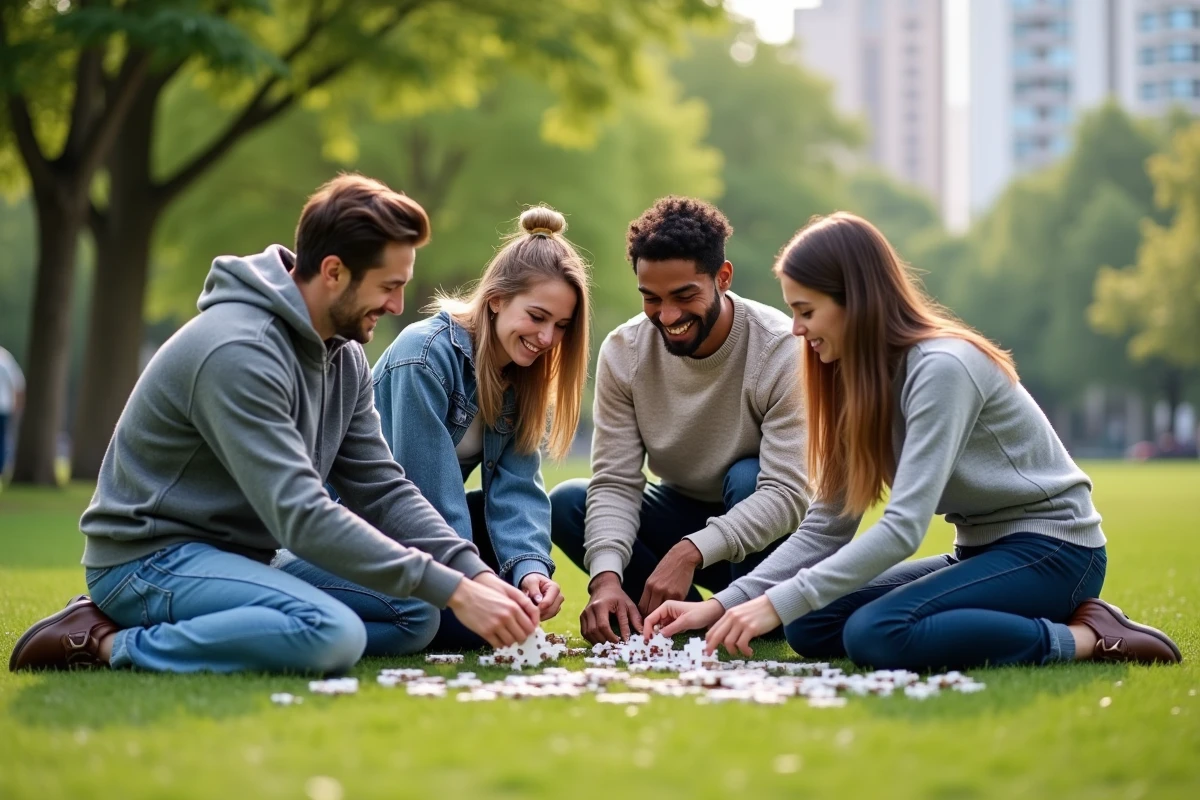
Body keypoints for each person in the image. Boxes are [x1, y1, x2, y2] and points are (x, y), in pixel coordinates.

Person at [8, 174, 539, 674]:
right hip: (149, 559)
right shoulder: (239, 351)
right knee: (332, 634)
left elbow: (381, 487)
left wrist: (474, 575)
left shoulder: (343, 354)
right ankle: (103, 642)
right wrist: (454, 590)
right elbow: (301, 517)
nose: (399, 305)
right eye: (388, 286)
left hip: (247, 557)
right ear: (333, 272)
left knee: (415, 615)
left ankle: (234, 623)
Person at [646, 212, 1183, 669]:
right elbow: (828, 525)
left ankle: (1090, 637)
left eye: (806, 311)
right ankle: (1012, 613)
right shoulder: (848, 379)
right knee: (807, 625)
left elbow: (903, 528)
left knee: (877, 633)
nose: (796, 330)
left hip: (1056, 551)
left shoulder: (942, 367)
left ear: (855, 300)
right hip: (977, 552)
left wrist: (772, 604)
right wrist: (730, 605)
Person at [274, 206, 589, 652]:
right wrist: (476, 587)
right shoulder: (423, 357)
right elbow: (424, 496)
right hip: (365, 532)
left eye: (561, 326)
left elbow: (517, 488)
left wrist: (530, 572)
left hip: (431, 539)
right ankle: (299, 606)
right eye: (536, 317)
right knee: (469, 627)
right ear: (496, 299)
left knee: (510, 605)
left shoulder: (522, 375)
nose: (547, 339)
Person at [550, 196, 810, 644]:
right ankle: (675, 617)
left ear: (722, 277)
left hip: (767, 525)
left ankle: (749, 613)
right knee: (570, 501)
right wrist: (606, 578)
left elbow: (788, 494)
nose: (667, 316)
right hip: (681, 508)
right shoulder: (624, 350)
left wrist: (691, 550)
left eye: (684, 295)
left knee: (749, 477)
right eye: (652, 299)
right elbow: (615, 480)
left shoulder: (781, 350)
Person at [0, 345, 24, 476]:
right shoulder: (5, 358)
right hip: (4, 406)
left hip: (3, 407)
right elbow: (18, 384)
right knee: (2, 439)